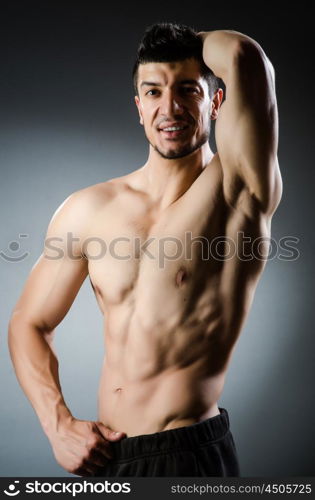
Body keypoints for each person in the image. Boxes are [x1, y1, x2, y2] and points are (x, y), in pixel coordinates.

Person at [8, 22, 282, 477]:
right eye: (153, 92)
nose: (169, 107)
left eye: (187, 90)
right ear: (138, 107)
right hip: (106, 458)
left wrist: (188, 42)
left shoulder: (239, 190)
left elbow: (242, 57)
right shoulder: (89, 208)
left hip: (186, 455)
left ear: (215, 102)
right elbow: (28, 322)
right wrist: (57, 425)